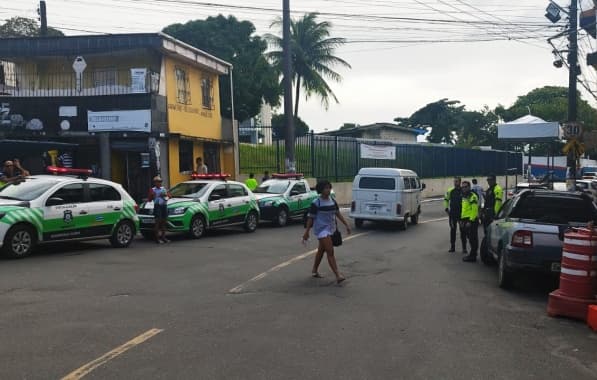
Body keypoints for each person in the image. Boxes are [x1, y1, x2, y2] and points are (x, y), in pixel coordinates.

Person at [303, 179, 351, 284]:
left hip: (331, 229)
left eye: (329, 187)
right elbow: (310, 218)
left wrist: (346, 225)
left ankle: (314, 270)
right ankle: (338, 275)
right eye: (325, 188)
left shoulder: (332, 201)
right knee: (330, 251)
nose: (328, 190)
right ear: (321, 190)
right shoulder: (316, 203)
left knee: (321, 250)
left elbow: (338, 214)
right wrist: (306, 232)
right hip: (321, 230)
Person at [444, 177, 466, 253]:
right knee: (453, 230)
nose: (455, 183)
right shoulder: (450, 191)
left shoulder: (463, 190)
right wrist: (446, 208)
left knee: (463, 231)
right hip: (452, 214)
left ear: (460, 182)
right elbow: (446, 199)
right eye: (454, 181)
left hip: (461, 214)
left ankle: (464, 248)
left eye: (456, 181)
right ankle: (452, 247)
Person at [460, 181, 480, 262]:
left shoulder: (472, 196)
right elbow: (464, 209)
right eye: (463, 187)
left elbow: (474, 210)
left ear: (469, 187)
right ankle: (473, 254)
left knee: (473, 238)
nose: (463, 188)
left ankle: (473, 256)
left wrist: (470, 221)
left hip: (471, 220)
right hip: (465, 219)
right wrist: (462, 219)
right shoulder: (464, 196)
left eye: (465, 187)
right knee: (470, 238)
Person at [148, 176, 171, 244]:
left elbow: (169, 196)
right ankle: (157, 239)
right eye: (158, 182)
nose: (159, 183)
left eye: (160, 182)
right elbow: (149, 199)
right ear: (155, 183)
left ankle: (163, 237)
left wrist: (165, 195)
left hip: (164, 205)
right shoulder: (153, 189)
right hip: (157, 205)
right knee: (157, 222)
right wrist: (152, 195)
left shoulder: (163, 189)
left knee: (164, 222)